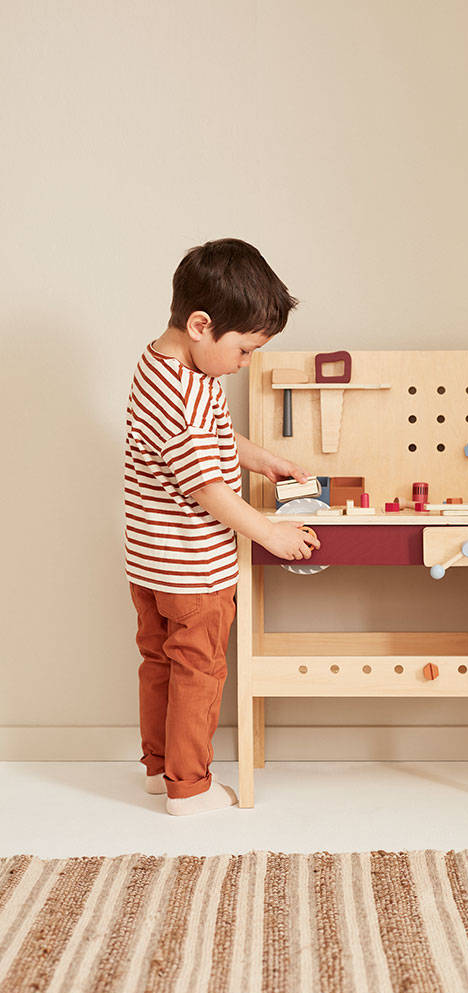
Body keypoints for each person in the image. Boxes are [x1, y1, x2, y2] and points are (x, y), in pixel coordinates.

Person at [124, 238, 319, 815]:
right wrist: (271, 533)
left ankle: (160, 768)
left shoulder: (165, 369)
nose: (246, 362)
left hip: (151, 562)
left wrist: (264, 460)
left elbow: (212, 441)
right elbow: (206, 486)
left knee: (161, 663)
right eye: (244, 349)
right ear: (201, 325)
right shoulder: (185, 395)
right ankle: (189, 789)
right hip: (194, 569)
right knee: (199, 671)